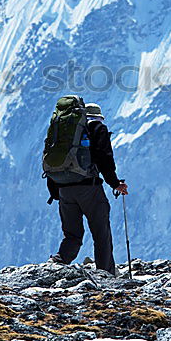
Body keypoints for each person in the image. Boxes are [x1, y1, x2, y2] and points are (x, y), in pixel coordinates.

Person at [47, 103, 128, 274]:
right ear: (98, 116)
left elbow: (53, 161)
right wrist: (115, 183)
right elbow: (104, 158)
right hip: (88, 188)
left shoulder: (64, 132)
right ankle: (105, 272)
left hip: (64, 189)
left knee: (72, 234)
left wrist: (56, 192)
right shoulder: (97, 128)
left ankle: (58, 263)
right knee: (101, 232)